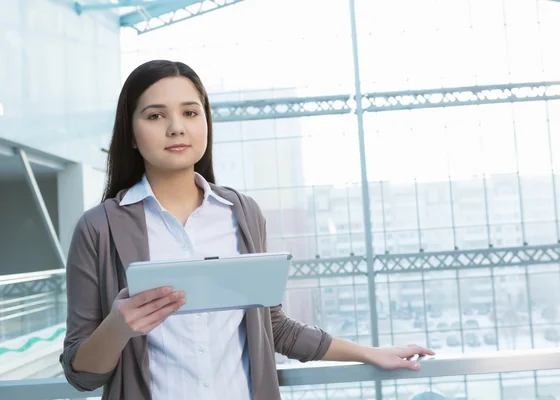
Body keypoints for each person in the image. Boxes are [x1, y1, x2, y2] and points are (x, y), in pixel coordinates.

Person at [59, 59, 434, 400]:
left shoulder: (241, 212)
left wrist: (368, 353)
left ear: (205, 123)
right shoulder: (99, 228)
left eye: (190, 112)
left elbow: (274, 326)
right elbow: (81, 374)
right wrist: (119, 326)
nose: (176, 128)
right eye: (155, 116)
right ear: (131, 132)